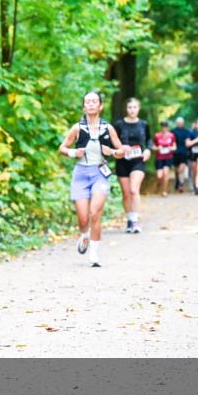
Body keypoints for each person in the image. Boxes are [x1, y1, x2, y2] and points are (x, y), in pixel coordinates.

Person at [58, 91, 125, 267]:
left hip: (99, 173)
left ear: (100, 106)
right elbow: (62, 148)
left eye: (94, 101)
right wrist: (73, 152)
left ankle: (94, 254)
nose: (91, 104)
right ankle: (84, 235)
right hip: (80, 174)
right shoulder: (77, 128)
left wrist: (112, 152)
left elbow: (121, 151)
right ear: (83, 107)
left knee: (95, 213)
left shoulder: (108, 128)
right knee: (83, 219)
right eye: (87, 102)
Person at [113, 97, 152, 233]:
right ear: (126, 109)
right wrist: (120, 148)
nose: (132, 110)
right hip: (122, 161)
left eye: (135, 107)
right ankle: (129, 220)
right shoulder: (119, 124)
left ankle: (135, 221)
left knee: (134, 190)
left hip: (138, 161)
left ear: (139, 108)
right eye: (130, 107)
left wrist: (148, 150)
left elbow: (149, 140)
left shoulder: (143, 124)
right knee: (126, 193)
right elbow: (113, 141)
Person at [152, 121, 176, 196]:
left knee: (166, 174)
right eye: (162, 127)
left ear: (167, 128)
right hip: (159, 158)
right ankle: (159, 184)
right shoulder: (157, 136)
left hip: (168, 157)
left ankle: (164, 191)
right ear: (161, 127)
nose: (164, 128)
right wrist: (157, 148)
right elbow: (153, 147)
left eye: (165, 127)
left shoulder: (171, 135)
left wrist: (171, 148)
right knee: (159, 176)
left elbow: (175, 147)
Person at [172, 117, 191, 192]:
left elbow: (188, 141)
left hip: (184, 152)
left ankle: (181, 184)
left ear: (183, 123)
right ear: (177, 123)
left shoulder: (187, 131)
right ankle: (177, 180)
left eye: (181, 122)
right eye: (178, 122)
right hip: (175, 153)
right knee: (176, 169)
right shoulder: (173, 131)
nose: (180, 124)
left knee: (181, 169)